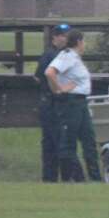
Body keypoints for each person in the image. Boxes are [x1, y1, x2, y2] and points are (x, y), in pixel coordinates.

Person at [45, 29, 102, 182]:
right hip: (71, 102)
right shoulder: (67, 56)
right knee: (69, 142)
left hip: (81, 102)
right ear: (79, 42)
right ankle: (71, 178)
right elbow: (49, 72)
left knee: (89, 141)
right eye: (83, 41)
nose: (84, 45)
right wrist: (58, 89)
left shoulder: (76, 58)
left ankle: (96, 179)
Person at [34, 23, 70, 182]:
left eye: (67, 36)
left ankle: (50, 178)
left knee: (52, 141)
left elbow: (37, 77)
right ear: (55, 37)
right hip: (52, 103)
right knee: (57, 141)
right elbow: (41, 76)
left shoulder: (62, 55)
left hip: (51, 102)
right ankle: (65, 177)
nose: (66, 38)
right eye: (63, 35)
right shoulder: (50, 55)